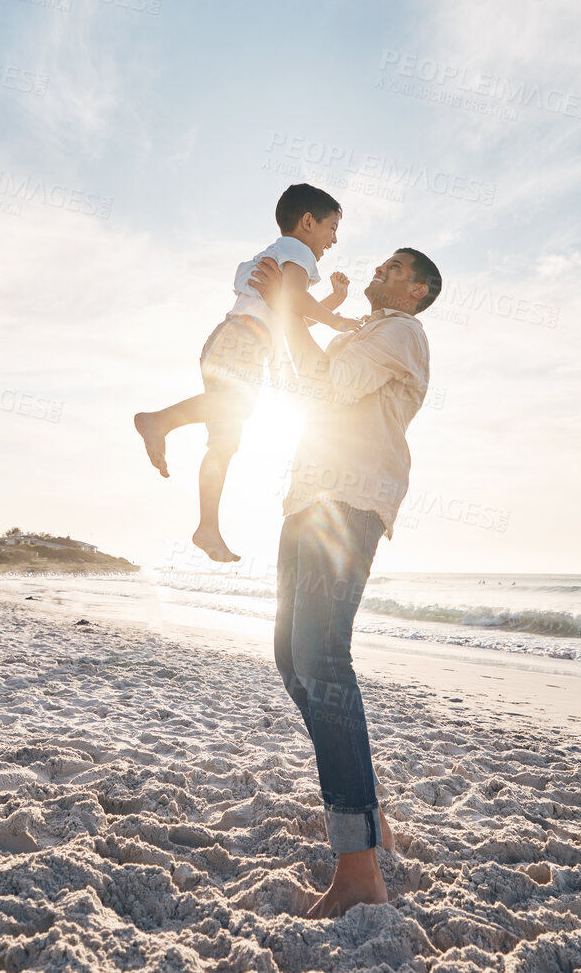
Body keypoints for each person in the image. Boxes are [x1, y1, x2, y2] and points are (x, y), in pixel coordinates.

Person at [247, 244, 441, 918]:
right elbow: (305, 381)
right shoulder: (365, 333)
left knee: (323, 662)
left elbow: (327, 382)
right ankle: (368, 816)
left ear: (416, 291)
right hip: (310, 498)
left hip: (349, 502)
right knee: (292, 658)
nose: (377, 271)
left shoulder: (400, 333)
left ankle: (359, 868)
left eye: (394, 268)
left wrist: (287, 310)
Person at [134, 184, 358, 563]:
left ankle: (207, 526)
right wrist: (336, 317)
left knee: (224, 441)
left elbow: (290, 315)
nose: (334, 239)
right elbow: (294, 304)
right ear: (307, 222)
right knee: (235, 406)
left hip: (230, 341)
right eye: (332, 227)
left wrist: (334, 300)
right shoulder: (297, 250)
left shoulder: (283, 254)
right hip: (243, 340)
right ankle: (158, 420)